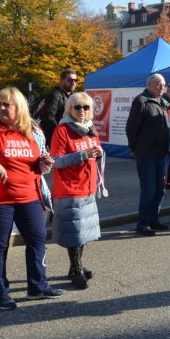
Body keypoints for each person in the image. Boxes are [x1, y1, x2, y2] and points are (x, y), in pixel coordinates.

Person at [0, 87, 63, 310]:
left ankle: (38, 286)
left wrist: (45, 163)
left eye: (7, 104)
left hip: (31, 196)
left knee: (37, 241)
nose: (1, 108)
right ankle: (0, 294)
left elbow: (39, 165)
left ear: (20, 108)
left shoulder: (34, 131)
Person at [50, 92, 103, 290]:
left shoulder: (91, 129)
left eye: (86, 107)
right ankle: (76, 268)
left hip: (87, 187)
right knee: (75, 232)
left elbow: (95, 151)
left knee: (83, 231)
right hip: (70, 189)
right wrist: (82, 155)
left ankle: (76, 266)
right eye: (77, 107)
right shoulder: (62, 130)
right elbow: (56, 161)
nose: (82, 111)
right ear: (69, 109)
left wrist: (98, 154)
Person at [125, 73, 170, 237]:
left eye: (163, 85)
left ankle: (154, 219)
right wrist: (134, 147)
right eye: (158, 84)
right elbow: (131, 127)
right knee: (149, 189)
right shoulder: (141, 101)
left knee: (160, 190)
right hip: (145, 154)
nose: (162, 87)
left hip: (160, 154)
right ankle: (142, 223)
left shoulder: (163, 102)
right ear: (150, 85)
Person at [40, 68, 77, 146]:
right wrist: (60, 132)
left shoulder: (74, 96)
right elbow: (48, 117)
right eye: (70, 80)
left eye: (75, 80)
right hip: (55, 138)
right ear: (62, 80)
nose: (73, 83)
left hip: (69, 136)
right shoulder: (55, 95)